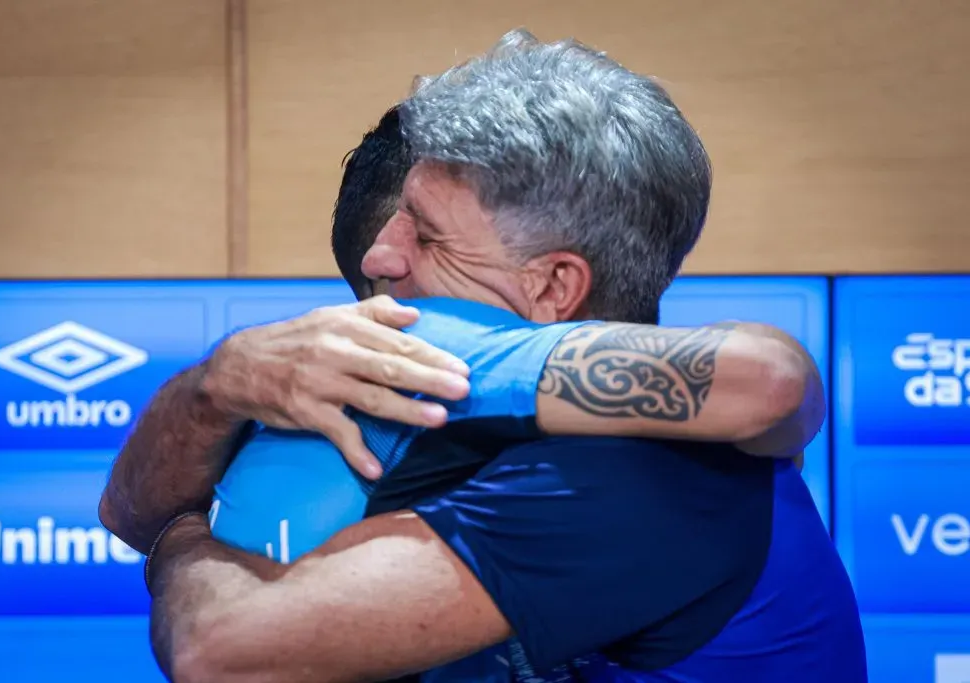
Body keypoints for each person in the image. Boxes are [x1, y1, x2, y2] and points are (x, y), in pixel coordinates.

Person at [101, 30, 864, 683]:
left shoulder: (641, 467)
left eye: (425, 232)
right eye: (397, 214)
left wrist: (181, 535)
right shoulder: (430, 398)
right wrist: (215, 387)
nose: (379, 253)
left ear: (554, 286)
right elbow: (126, 507)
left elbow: (221, 649)